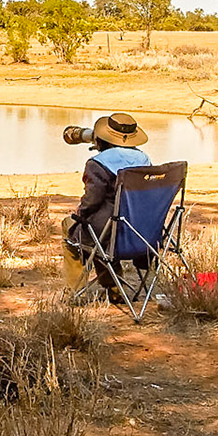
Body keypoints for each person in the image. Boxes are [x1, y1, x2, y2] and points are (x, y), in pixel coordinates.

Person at [61, 112, 151, 303]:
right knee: (102, 231)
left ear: (102, 139)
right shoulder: (144, 160)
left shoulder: (98, 164)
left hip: (110, 234)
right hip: (141, 234)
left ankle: (75, 293)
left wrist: (80, 213)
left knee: (73, 227)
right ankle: (114, 289)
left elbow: (92, 201)